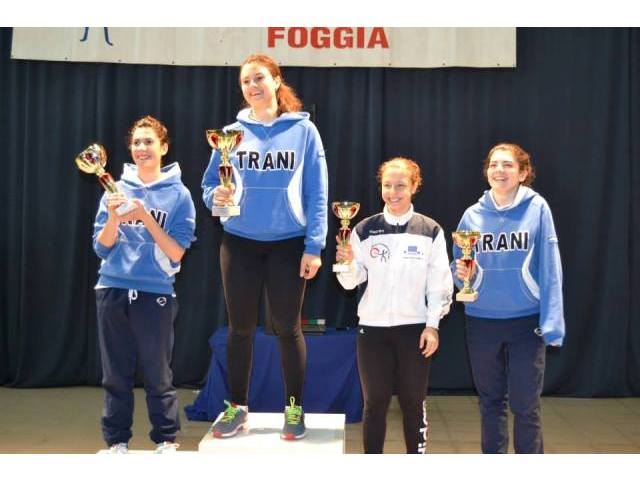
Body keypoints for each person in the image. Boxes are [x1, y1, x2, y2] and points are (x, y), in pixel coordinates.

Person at [202, 54, 328, 440]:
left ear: (275, 81)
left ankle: (294, 409)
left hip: (288, 245)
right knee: (239, 330)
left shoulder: (304, 131)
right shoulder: (230, 134)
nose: (252, 86)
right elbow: (210, 186)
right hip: (239, 244)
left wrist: (314, 246)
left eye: (259, 78)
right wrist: (215, 197)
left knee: (287, 328)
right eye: (245, 81)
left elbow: (317, 192)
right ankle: (237, 409)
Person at [92, 115, 196, 453]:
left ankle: (165, 439)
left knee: (157, 373)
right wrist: (113, 217)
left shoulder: (179, 195)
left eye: (148, 141)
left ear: (163, 147)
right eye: (136, 142)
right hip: (112, 289)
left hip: (155, 292)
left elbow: (176, 252)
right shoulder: (114, 189)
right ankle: (116, 441)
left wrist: (145, 218)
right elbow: (101, 248)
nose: (141, 148)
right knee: (115, 374)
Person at [452, 142, 565, 454]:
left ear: (523, 173)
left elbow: (551, 266)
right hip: (481, 321)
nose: (499, 170)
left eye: (507, 165)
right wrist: (463, 275)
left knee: (526, 405)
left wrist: (552, 322)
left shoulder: (537, 209)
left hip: (526, 321)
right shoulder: (472, 215)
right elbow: (459, 264)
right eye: (493, 164)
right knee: (490, 402)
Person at [335, 157, 453, 454]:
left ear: (414, 186)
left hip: (414, 330)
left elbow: (439, 283)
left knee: (413, 403)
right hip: (372, 331)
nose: (393, 192)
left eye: (400, 185)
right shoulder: (363, 229)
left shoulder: (430, 230)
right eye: (387, 185)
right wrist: (345, 263)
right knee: (374, 403)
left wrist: (433, 325)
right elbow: (350, 283)